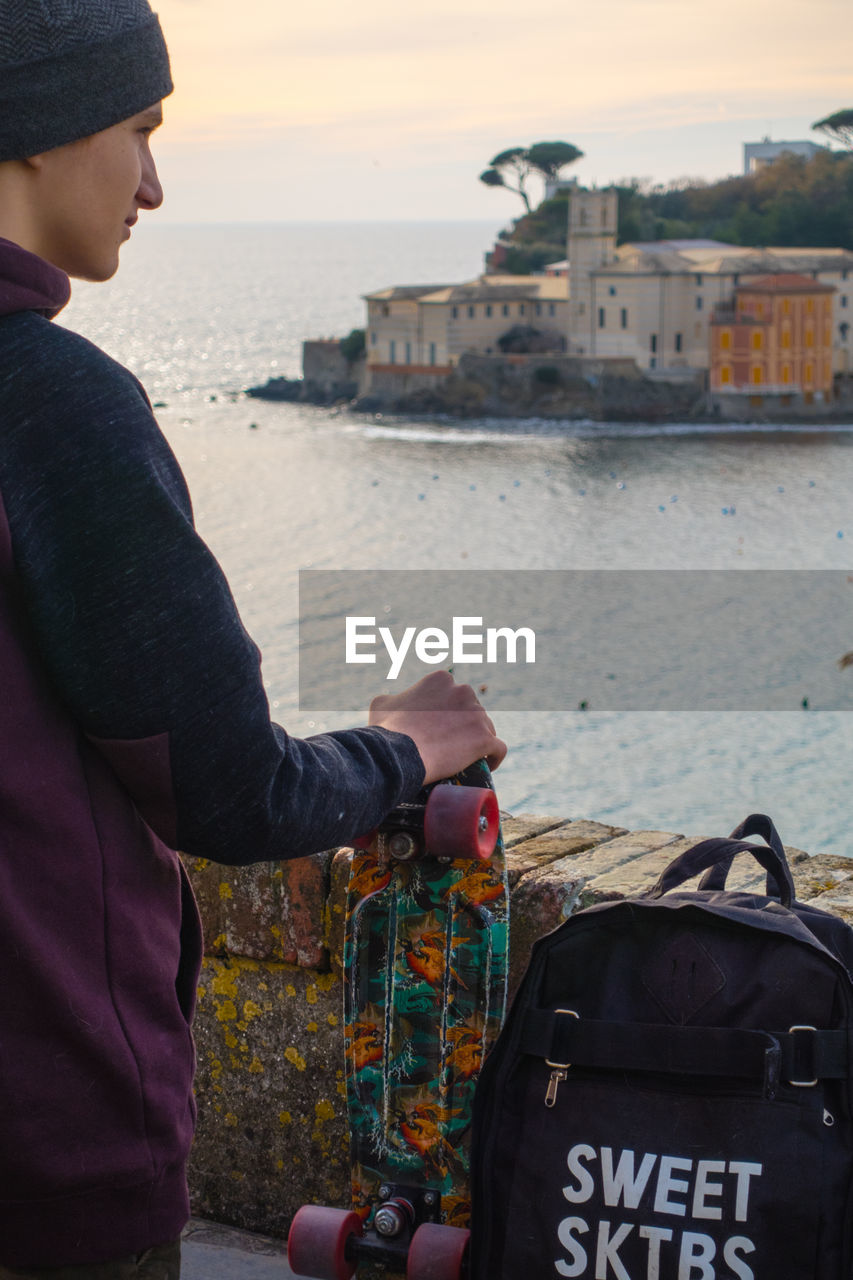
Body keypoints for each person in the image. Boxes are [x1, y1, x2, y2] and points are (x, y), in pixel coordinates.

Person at [0, 2, 506, 1274]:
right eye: (140, 129)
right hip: (40, 1151)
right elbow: (228, 785)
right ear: (36, 132)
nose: (155, 184)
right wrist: (402, 748)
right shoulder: (54, 408)